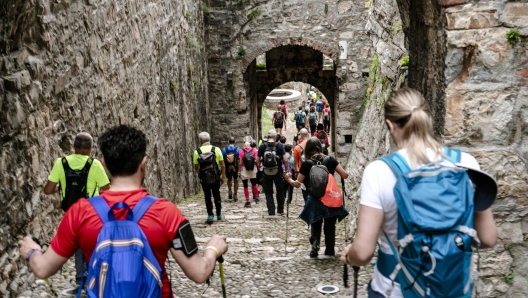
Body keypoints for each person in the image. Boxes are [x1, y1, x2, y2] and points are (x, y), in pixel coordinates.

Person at [19, 125, 228, 298]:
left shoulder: (79, 212)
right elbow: (199, 272)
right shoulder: (166, 212)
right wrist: (213, 249)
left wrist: (30, 250)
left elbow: (43, 268)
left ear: (104, 164)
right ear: (144, 164)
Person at [339, 88, 498, 297]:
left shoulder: (379, 171)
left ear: (390, 125)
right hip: (453, 289)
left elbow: (363, 252)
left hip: (395, 290)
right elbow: (487, 238)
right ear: (428, 119)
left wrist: (349, 256)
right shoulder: (465, 164)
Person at [43, 132, 110, 293]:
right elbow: (107, 190)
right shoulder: (94, 165)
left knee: (78, 245)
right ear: (90, 148)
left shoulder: (61, 163)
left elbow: (48, 190)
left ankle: (81, 280)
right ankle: (94, 279)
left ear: (74, 147)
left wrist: (62, 188)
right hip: (91, 213)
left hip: (71, 215)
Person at [284, 137, 349, 257]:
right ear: (320, 147)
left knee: (315, 223)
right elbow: (344, 175)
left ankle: (315, 243)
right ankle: (330, 250)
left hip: (315, 198)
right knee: (330, 225)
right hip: (330, 197)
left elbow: (298, 184)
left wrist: (288, 179)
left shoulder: (307, 164)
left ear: (307, 149)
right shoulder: (330, 160)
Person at [194, 132, 225, 224]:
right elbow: (222, 165)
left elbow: (196, 167)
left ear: (200, 141)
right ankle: (219, 213)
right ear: (209, 139)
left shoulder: (197, 151)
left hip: (204, 178)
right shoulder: (216, 149)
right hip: (215, 177)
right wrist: (222, 176)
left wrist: (201, 174)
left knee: (207, 196)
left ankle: (210, 215)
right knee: (216, 194)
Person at [257, 130, 289, 216]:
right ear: (275, 137)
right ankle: (280, 210)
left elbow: (257, 160)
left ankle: (271, 211)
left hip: (266, 172)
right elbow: (285, 160)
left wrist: (260, 166)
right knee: (280, 191)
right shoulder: (280, 146)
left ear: (267, 137)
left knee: (268, 192)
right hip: (278, 172)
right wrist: (286, 170)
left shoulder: (262, 146)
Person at [238, 139, 259, 207]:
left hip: (244, 169)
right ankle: (256, 198)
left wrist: (238, 171)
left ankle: (248, 200)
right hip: (253, 169)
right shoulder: (254, 150)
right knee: (254, 184)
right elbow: (256, 161)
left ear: (244, 145)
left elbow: (240, 162)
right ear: (250, 145)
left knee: (245, 185)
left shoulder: (241, 151)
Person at [293, 128, 310, 201]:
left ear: (301, 136)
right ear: (308, 134)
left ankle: (307, 202)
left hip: (303, 171)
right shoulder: (314, 144)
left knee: (304, 189)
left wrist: (296, 172)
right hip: (315, 169)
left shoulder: (297, 148)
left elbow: (296, 162)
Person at [222, 137, 240, 201]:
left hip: (228, 167)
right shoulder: (238, 149)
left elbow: (222, 159)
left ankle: (230, 191)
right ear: (235, 142)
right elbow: (239, 159)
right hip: (235, 167)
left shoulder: (224, 149)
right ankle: (235, 194)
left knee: (229, 179)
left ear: (228, 141)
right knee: (236, 180)